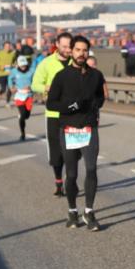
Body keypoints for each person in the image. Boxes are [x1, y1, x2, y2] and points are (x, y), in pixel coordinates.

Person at [46, 35, 107, 231]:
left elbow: (100, 95)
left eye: (84, 50)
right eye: (78, 50)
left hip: (89, 128)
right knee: (71, 175)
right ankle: (72, 210)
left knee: (91, 169)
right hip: (68, 129)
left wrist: (96, 104)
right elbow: (51, 103)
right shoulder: (62, 76)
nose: (81, 54)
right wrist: (71, 106)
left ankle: (89, 212)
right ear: (71, 51)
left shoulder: (95, 75)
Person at [32, 32, 74, 197]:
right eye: (63, 47)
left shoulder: (77, 63)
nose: (67, 50)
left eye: (69, 47)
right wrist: (47, 88)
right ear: (57, 45)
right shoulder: (47, 63)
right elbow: (35, 84)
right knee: (56, 152)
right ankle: (58, 180)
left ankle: (70, 179)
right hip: (54, 114)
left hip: (73, 114)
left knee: (72, 151)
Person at [8, 55, 35, 141]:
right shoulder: (14, 71)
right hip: (19, 95)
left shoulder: (31, 71)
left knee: (27, 116)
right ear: (18, 65)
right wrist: (11, 87)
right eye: (22, 65)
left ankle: (22, 116)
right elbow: (10, 79)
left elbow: (35, 81)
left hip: (29, 95)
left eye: (24, 65)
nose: (23, 67)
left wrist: (30, 86)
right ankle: (22, 134)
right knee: (23, 115)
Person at [0, 41, 17, 108]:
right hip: (2, 73)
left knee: (10, 88)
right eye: (6, 46)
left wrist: (13, 66)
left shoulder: (12, 54)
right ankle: (0, 92)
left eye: (9, 46)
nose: (8, 48)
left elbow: (14, 62)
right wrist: (1, 67)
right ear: (4, 47)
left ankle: (7, 102)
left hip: (10, 73)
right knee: (3, 88)